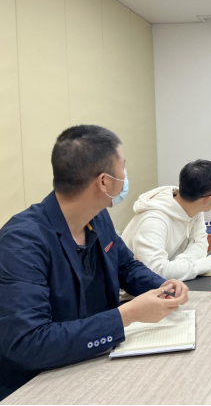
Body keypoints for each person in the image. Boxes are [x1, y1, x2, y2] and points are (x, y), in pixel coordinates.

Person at [0, 126, 189, 400]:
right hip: (39, 384)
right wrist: (127, 315)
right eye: (123, 167)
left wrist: (163, 286)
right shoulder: (22, 241)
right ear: (104, 182)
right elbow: (28, 343)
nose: (125, 176)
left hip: (98, 363)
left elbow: (126, 267)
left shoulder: (97, 217)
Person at [122, 160, 211, 281]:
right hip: (136, 288)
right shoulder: (154, 220)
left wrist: (180, 265)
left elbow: (200, 244)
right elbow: (154, 271)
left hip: (171, 281)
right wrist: (209, 262)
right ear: (207, 199)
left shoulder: (196, 208)